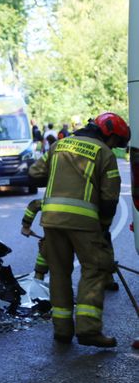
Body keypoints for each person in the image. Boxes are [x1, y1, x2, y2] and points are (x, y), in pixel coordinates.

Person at [28, 112, 130, 348]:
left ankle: (62, 331)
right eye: (116, 141)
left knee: (59, 272)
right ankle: (88, 330)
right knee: (95, 269)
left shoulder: (58, 146)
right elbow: (109, 199)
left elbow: (34, 174)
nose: (115, 146)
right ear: (108, 133)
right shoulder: (103, 153)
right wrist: (103, 228)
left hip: (51, 220)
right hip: (84, 222)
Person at [20, 199, 49, 281]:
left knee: (46, 247)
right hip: (82, 230)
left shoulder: (53, 196)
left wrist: (25, 227)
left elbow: (33, 205)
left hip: (54, 228)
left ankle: (38, 279)